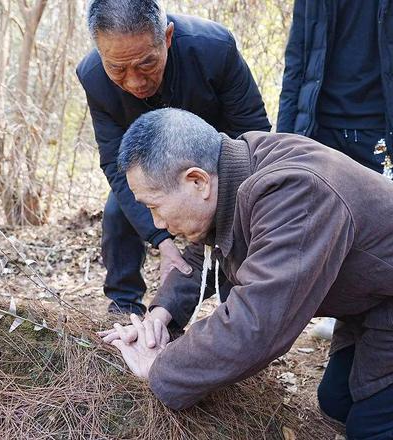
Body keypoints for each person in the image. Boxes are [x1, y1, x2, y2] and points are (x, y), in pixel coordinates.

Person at [102, 108, 393, 440]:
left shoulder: (295, 191)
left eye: (155, 206)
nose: (157, 224)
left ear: (197, 181)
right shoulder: (234, 168)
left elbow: (259, 324)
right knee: (336, 401)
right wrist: (163, 313)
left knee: (375, 433)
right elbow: (205, 251)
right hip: (381, 301)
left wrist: (162, 367)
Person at [76, 0, 270, 315]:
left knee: (234, 219)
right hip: (150, 165)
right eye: (118, 68)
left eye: (146, 64)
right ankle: (124, 305)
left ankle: (238, 307)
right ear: (100, 53)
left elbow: (254, 132)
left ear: (167, 37)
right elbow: (113, 161)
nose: (135, 82)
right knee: (117, 211)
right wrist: (163, 243)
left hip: (220, 163)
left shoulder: (213, 49)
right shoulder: (93, 77)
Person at [277, 0, 393, 202]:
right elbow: (298, 54)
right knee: (317, 227)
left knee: (391, 226)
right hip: (320, 131)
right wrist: (284, 134)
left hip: (388, 133)